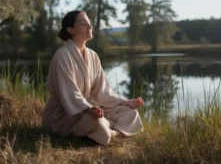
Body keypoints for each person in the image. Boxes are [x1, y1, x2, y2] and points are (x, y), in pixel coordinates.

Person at [42, 10, 144, 146]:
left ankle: (111, 133)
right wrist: (88, 109)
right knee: (95, 120)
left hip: (88, 107)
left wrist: (125, 102)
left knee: (130, 112)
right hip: (63, 113)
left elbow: (103, 91)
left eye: (89, 24)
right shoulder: (62, 56)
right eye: (84, 24)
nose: (90, 27)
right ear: (71, 29)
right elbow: (69, 94)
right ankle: (108, 130)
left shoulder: (93, 56)